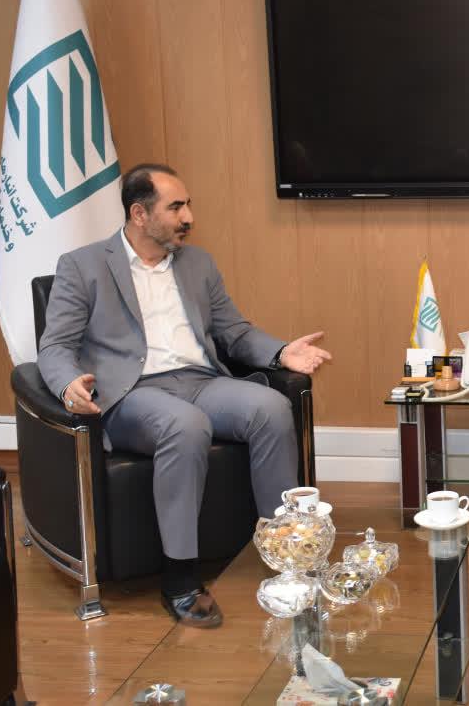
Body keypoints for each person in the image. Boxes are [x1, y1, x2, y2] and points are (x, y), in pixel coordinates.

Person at [37, 163, 331, 628]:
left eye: (188, 205)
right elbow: (54, 347)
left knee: (271, 407)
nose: (188, 217)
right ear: (139, 213)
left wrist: (280, 352)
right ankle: (180, 577)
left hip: (200, 381)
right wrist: (67, 383)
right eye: (176, 207)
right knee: (185, 424)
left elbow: (233, 331)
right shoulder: (82, 266)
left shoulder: (198, 263)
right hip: (132, 393)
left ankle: (286, 553)